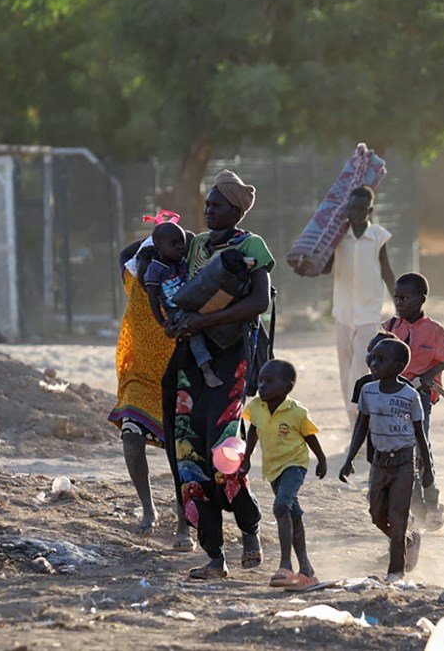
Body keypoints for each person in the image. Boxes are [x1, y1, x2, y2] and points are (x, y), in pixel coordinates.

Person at [162, 170, 274, 580]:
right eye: (207, 204)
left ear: (236, 210)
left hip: (231, 359)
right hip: (191, 361)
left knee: (224, 453)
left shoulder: (251, 245)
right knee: (188, 455)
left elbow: (259, 303)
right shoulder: (196, 245)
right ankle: (214, 555)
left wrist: (202, 322)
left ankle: (249, 529)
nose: (208, 210)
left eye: (217, 205)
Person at [110, 230, 189, 548]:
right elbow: (124, 254)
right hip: (140, 379)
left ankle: (184, 523)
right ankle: (148, 509)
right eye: (144, 267)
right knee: (131, 438)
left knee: (180, 455)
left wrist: (174, 238)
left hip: (179, 378)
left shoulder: (178, 285)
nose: (148, 275)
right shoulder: (132, 279)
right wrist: (157, 234)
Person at [339, 338, 434, 582]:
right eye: (372, 359)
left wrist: (427, 469)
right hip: (379, 462)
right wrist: (349, 458)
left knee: (397, 517)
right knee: (376, 514)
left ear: (399, 366)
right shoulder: (368, 391)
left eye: (381, 360)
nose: (373, 363)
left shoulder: (410, 395)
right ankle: (407, 540)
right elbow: (361, 426)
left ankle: (395, 572)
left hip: (404, 462)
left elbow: (420, 434)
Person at [242, 359, 327, 590]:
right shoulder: (256, 407)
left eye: (269, 381)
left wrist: (321, 459)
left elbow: (309, 436)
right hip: (273, 469)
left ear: (287, 387)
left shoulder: (297, 412)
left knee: (281, 507)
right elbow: (253, 430)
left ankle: (285, 566)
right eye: (260, 380)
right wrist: (247, 457)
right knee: (293, 514)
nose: (262, 385)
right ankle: (307, 569)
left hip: (294, 465)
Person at [383, 272, 444, 529]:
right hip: (393, 396)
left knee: (420, 447)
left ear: (421, 299)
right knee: (400, 450)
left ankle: (432, 501)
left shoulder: (434, 330)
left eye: (405, 298)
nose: (399, 302)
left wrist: (428, 376)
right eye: (396, 298)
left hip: (420, 397)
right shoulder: (390, 327)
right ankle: (414, 505)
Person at [322, 185, 396, 426]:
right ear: (347, 209)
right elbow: (325, 267)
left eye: (361, 209)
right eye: (352, 208)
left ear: (369, 210)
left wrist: (399, 303)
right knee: (344, 365)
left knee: (361, 365)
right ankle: (352, 417)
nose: (355, 213)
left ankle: (359, 412)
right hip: (343, 310)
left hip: (369, 310)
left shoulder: (378, 236)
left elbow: (386, 271)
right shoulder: (338, 236)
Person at [142, 221, 221, 388]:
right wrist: (162, 321)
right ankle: (206, 369)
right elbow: (153, 298)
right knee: (193, 333)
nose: (179, 247)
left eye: (181, 243)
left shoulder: (182, 261)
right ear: (158, 246)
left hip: (194, 302)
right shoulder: (154, 269)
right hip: (175, 310)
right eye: (174, 243)